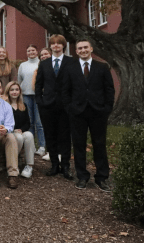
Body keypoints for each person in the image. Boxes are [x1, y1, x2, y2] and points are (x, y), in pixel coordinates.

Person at [62, 39, 115, 192]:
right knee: (78, 145)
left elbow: (109, 90)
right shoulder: (70, 68)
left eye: (86, 47)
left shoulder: (102, 67)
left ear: (91, 48)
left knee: (99, 144)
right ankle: (82, 177)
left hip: (98, 112)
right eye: (80, 48)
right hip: (77, 112)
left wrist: (107, 109)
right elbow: (65, 91)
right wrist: (70, 108)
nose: (83, 50)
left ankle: (101, 178)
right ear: (76, 51)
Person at [35, 34, 75, 180]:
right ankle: (54, 165)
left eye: (59, 43)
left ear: (63, 45)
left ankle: (65, 166)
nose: (56, 46)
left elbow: (76, 84)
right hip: (48, 106)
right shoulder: (44, 64)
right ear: (50, 46)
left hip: (66, 106)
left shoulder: (71, 62)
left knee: (65, 137)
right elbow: (39, 84)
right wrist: (40, 101)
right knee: (50, 135)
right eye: (53, 43)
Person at [17, 45, 46, 158]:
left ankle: (42, 146)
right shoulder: (23, 65)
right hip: (26, 96)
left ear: (37, 51)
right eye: (28, 51)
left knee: (39, 123)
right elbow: (19, 81)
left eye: (33, 50)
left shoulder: (41, 63)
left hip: (39, 96)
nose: (31, 52)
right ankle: (31, 146)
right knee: (30, 122)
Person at [4, 81, 36, 178]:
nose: (14, 92)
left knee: (29, 135)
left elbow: (28, 123)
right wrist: (13, 130)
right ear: (8, 91)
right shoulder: (4, 105)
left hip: (21, 131)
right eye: (12, 90)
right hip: (10, 132)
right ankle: (14, 164)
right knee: (19, 138)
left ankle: (29, 166)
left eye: (17, 90)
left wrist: (21, 129)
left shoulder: (23, 105)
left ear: (19, 92)